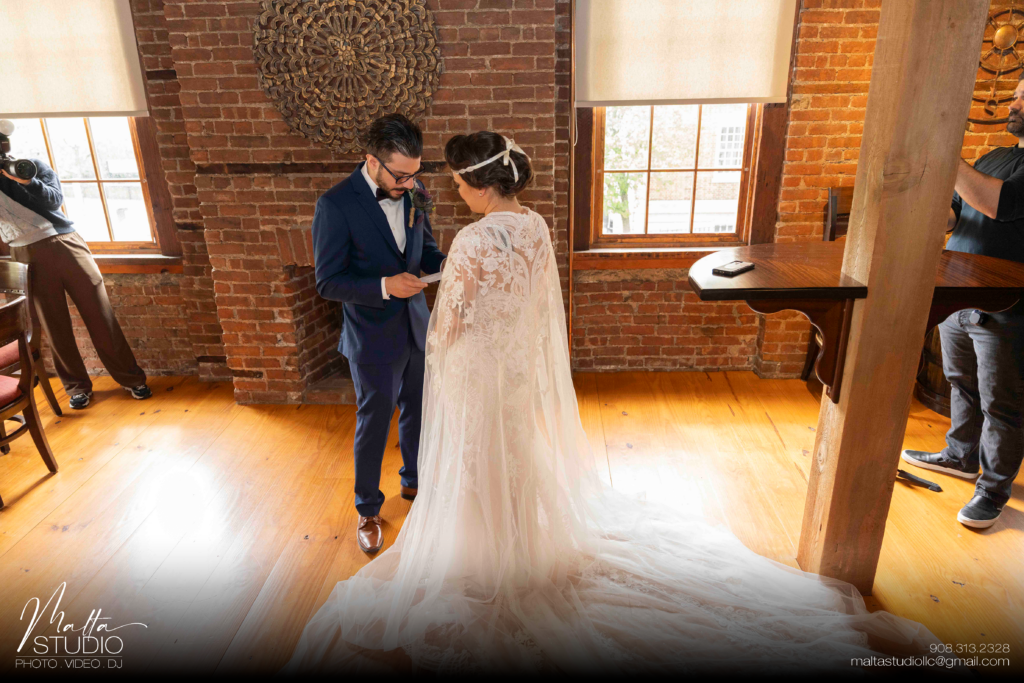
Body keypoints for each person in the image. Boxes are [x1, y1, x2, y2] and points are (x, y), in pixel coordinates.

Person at [283, 132, 940, 674]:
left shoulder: (476, 241)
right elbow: (537, 309)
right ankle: (516, 547)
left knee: (478, 460)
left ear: (480, 186)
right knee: (512, 456)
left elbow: (449, 326)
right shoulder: (536, 226)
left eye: (457, 183)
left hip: (478, 371)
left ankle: (487, 563)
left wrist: (446, 329)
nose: (451, 192)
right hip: (514, 373)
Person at [311, 113, 446, 553]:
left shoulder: (416, 192)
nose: (410, 184)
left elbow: (425, 250)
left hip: (417, 327)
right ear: (372, 160)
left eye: (415, 174)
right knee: (374, 421)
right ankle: (368, 508)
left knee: (418, 411)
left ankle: (414, 481)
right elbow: (328, 282)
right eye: (401, 175)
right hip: (370, 336)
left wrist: (449, 264)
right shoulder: (335, 205)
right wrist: (385, 286)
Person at [901, 76, 1024, 530]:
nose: (1013, 103)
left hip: (1007, 304)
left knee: (1002, 404)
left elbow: (997, 205)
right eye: (1016, 95)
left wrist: (947, 156)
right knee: (962, 383)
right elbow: (956, 213)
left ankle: (992, 492)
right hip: (958, 294)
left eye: (1023, 97)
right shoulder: (993, 157)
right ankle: (960, 457)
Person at [0, 120, 151, 410]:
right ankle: (76, 387)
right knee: (54, 324)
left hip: (64, 243)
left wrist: (26, 181)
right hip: (24, 254)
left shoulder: (29, 166)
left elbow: (54, 201)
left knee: (99, 314)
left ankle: (132, 378)